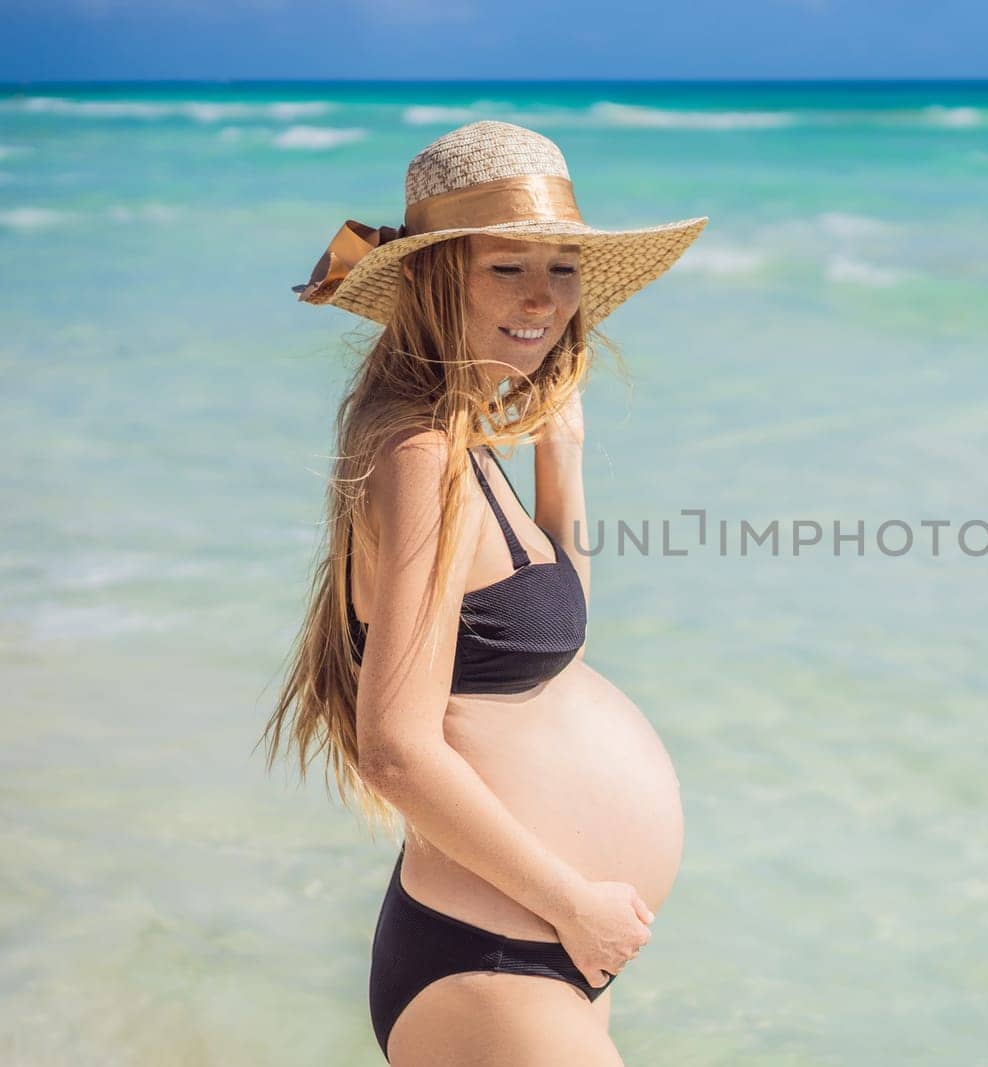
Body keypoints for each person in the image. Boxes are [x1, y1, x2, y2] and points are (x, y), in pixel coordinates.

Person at [257, 120, 708, 1065]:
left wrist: (561, 451)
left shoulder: (461, 445)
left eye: (563, 267)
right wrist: (573, 901)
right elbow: (396, 751)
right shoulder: (418, 453)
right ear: (432, 282)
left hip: (535, 951)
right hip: (499, 953)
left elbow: (558, 639)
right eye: (507, 268)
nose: (543, 295)